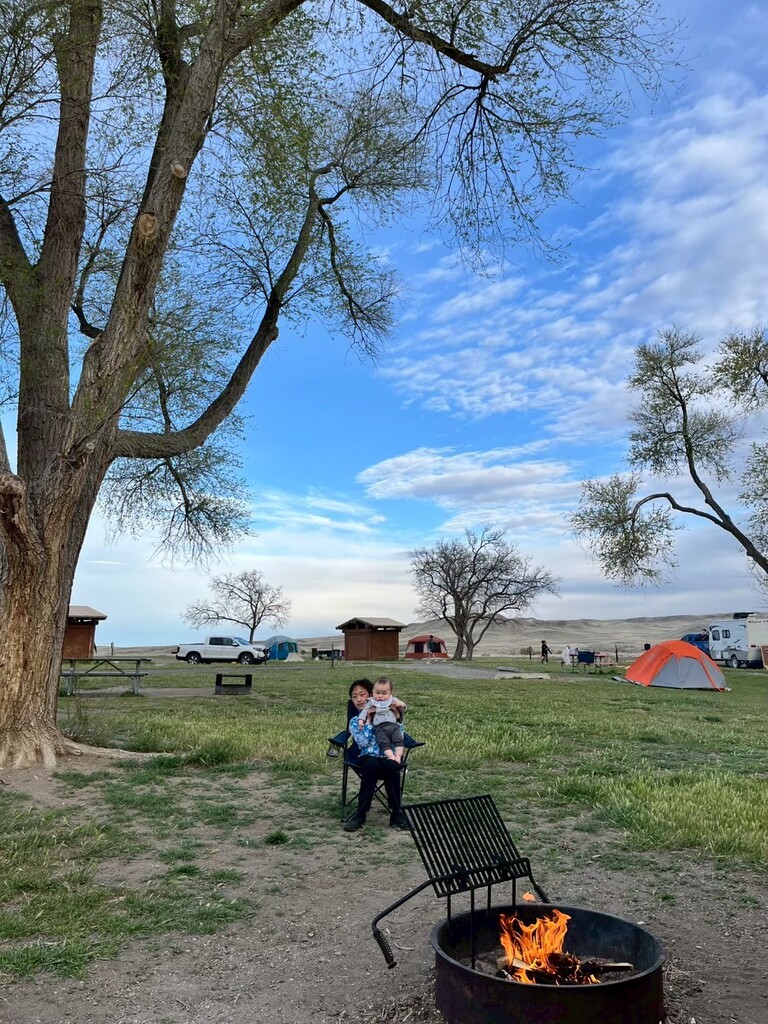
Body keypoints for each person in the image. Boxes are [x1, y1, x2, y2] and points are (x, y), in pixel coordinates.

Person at [343, 678, 410, 832]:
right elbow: (363, 743)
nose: (359, 699)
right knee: (372, 764)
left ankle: (396, 813)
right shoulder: (355, 721)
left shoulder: (391, 714)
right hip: (368, 756)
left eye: (362, 694)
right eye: (354, 696)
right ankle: (361, 814)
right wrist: (368, 720)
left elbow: (399, 736)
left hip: (389, 756)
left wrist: (397, 718)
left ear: (371, 695)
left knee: (391, 766)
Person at [357, 675, 406, 762]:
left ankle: (398, 756)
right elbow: (365, 711)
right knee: (383, 742)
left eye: (384, 693)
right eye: (377, 693)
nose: (380, 696)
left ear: (390, 693)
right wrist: (361, 720)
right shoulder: (372, 702)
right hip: (379, 728)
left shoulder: (393, 700)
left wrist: (400, 705)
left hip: (393, 726)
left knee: (398, 740)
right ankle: (391, 756)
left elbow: (402, 707)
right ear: (373, 692)